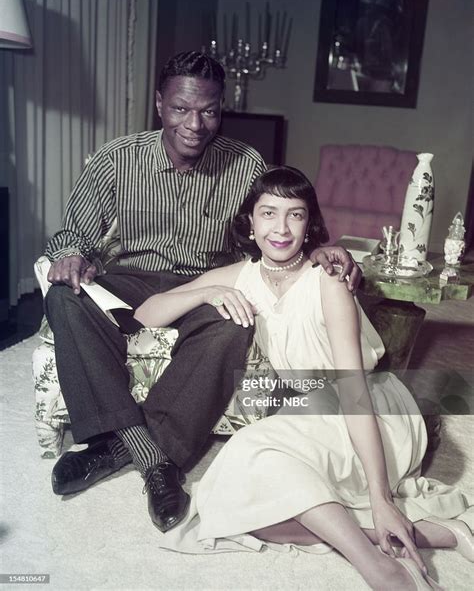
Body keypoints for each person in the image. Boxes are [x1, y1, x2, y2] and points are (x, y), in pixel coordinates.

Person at [43, 51, 360, 533]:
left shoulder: (245, 163)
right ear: (159, 104)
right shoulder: (116, 158)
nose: (195, 123)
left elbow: (279, 218)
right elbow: (73, 234)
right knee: (64, 297)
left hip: (208, 285)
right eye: (180, 109)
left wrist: (318, 249)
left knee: (236, 322)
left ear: (221, 107)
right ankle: (147, 451)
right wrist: (69, 254)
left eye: (208, 110)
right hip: (129, 279)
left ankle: (130, 450)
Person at [134, 166, 473, 590]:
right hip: (305, 406)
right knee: (243, 507)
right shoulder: (238, 275)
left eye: (295, 215)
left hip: (367, 408)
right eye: (268, 213)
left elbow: (353, 391)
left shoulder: (326, 280)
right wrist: (205, 293)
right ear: (250, 222)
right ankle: (431, 536)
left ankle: (376, 566)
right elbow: (145, 313)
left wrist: (381, 497)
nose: (280, 228)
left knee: (251, 452)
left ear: (309, 224)